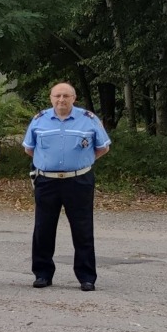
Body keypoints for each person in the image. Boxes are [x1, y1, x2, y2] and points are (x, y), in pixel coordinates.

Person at [24, 82, 111, 291]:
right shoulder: (39, 120)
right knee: (43, 228)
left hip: (79, 180)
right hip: (47, 181)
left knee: (82, 229)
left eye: (65, 96)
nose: (61, 100)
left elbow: (103, 148)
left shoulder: (88, 119)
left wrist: (83, 161)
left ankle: (86, 277)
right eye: (57, 96)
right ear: (50, 98)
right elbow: (29, 149)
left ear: (74, 97)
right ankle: (42, 274)